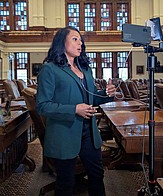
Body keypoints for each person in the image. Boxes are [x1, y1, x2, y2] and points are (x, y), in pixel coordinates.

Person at [36, 26, 116, 196]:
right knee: (66, 182)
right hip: (64, 132)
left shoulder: (85, 69)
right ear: (61, 42)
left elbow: (92, 97)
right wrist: (74, 109)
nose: (80, 43)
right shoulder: (49, 69)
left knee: (97, 175)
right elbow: (43, 105)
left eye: (81, 40)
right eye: (75, 39)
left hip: (89, 131)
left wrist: (106, 94)